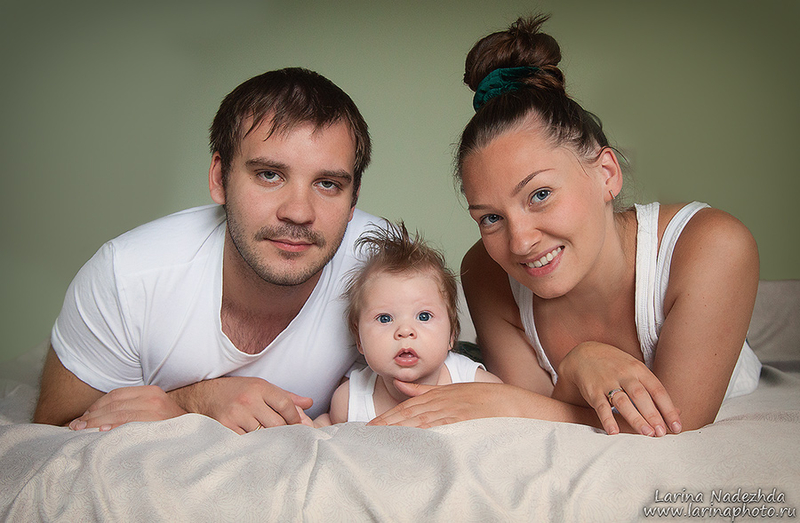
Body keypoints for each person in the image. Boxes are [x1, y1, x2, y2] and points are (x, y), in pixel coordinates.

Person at [369, 16, 761, 436]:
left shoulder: (713, 246)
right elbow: (539, 414)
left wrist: (513, 397)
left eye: (540, 194)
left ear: (607, 174)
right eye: (491, 218)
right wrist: (576, 368)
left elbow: (673, 424)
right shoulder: (485, 272)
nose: (520, 242)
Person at [33, 67, 384, 434]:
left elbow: (423, 388)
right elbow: (52, 432)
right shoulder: (126, 276)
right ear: (219, 178)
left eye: (327, 184)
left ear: (353, 199)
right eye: (269, 175)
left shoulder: (381, 262)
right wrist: (195, 402)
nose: (298, 212)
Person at [316, 222, 501, 425]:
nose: (405, 331)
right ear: (359, 339)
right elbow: (328, 434)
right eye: (385, 318)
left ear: (452, 335)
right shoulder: (350, 401)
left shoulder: (475, 385)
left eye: (424, 316)